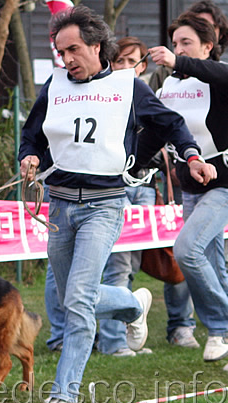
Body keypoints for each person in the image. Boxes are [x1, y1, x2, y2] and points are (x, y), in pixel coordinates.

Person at [19, 6, 210, 403]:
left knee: (78, 299)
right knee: (75, 294)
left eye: (73, 49)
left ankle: (64, 395)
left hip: (104, 206)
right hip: (59, 205)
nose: (67, 59)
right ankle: (131, 304)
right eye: (60, 51)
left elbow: (172, 124)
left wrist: (191, 156)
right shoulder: (53, 86)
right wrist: (29, 158)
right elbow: (31, 135)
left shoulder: (128, 86)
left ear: (96, 46)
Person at [146, 13, 228, 368]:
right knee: (213, 263)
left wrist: (178, 60)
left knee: (186, 250)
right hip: (190, 187)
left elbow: (217, 73)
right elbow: (156, 134)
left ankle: (219, 325)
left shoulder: (219, 77)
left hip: (224, 185)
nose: (175, 50)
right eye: (174, 43)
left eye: (185, 44)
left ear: (208, 47)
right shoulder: (169, 88)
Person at [98, 37, 155, 358]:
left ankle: (128, 324)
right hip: (111, 186)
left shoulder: (148, 96)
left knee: (132, 262)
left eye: (129, 61)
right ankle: (113, 341)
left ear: (142, 66)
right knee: (117, 263)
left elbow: (165, 132)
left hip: (146, 185)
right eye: (117, 60)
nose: (122, 67)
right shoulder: (103, 94)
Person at [148, 0, 228, 92]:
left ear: (207, 46)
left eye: (186, 43)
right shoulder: (166, 75)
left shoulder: (221, 73)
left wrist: (176, 61)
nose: (178, 51)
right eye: (174, 45)